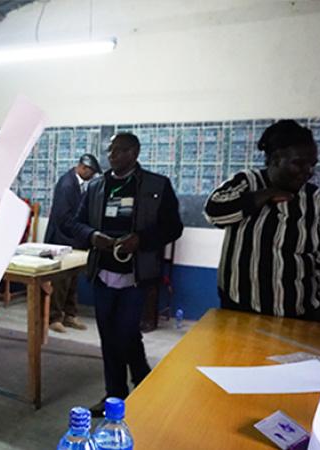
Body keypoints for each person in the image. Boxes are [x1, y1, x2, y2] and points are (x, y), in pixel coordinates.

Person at [67, 133, 183, 416]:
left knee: (127, 331)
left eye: (119, 151)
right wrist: (93, 236)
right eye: (110, 151)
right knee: (110, 335)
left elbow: (173, 227)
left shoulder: (157, 185)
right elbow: (74, 224)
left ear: (134, 152)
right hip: (103, 273)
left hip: (136, 275)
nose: (112, 156)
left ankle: (142, 382)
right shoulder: (96, 187)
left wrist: (140, 240)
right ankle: (115, 396)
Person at [204, 120, 320, 322]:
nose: (308, 171)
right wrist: (265, 195)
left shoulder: (314, 198)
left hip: (299, 313)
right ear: (275, 159)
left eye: (312, 165)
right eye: (299, 163)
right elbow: (214, 211)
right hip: (241, 309)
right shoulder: (248, 182)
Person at [44, 153, 101, 333]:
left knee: (73, 279)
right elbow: (63, 218)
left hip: (73, 240)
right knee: (61, 282)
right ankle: (54, 318)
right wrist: (83, 232)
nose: (92, 177)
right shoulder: (67, 184)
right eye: (91, 173)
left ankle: (69, 315)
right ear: (83, 168)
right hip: (62, 240)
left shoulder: (79, 184)